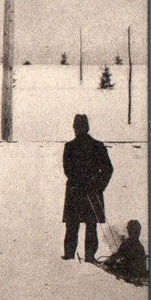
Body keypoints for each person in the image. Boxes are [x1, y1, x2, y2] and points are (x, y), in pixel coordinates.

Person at [62, 113, 113, 263]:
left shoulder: (69, 146)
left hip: (75, 192)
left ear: (75, 128)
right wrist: (98, 186)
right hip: (92, 192)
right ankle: (90, 257)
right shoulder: (98, 145)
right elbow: (108, 169)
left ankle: (69, 256)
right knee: (92, 226)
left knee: (72, 226)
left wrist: (79, 182)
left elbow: (68, 170)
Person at [102, 219, 148, 285]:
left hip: (130, 274)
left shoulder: (127, 243)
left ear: (129, 231)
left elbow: (117, 256)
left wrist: (106, 263)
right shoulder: (140, 246)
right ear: (139, 232)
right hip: (141, 273)